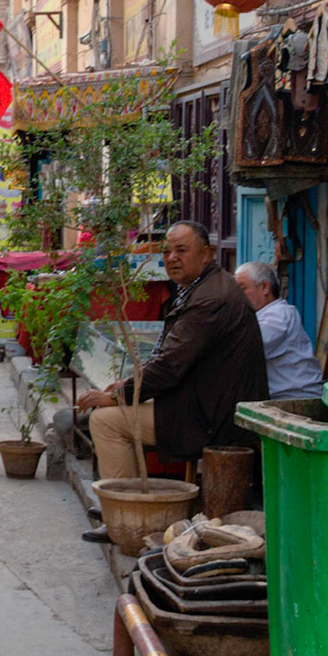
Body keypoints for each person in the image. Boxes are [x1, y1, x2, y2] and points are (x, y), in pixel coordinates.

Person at [74, 222, 269, 542]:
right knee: (116, 409)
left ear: (206, 254)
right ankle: (130, 502)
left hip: (214, 418)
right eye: (166, 250)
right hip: (204, 403)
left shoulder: (211, 298)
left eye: (181, 250)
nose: (172, 257)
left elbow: (169, 366)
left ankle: (124, 514)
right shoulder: (204, 287)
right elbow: (170, 358)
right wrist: (128, 383)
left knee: (107, 421)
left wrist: (120, 395)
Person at [235, 261, 323, 401]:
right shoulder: (259, 315)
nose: (238, 295)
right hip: (280, 397)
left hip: (296, 397)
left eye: (243, 288)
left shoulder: (279, 315)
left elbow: (248, 345)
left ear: (264, 287)